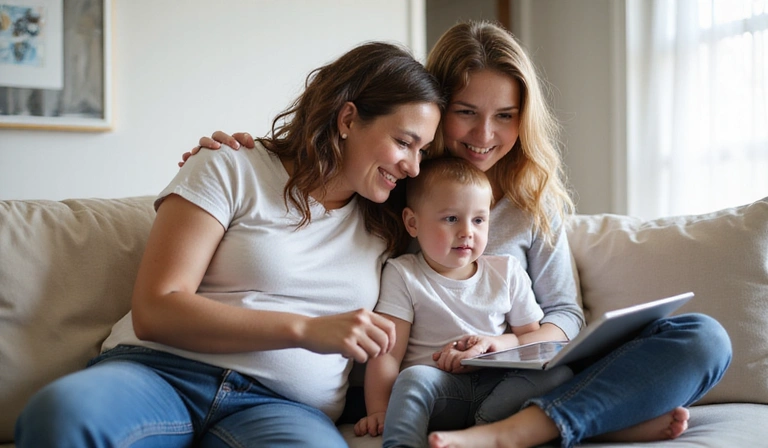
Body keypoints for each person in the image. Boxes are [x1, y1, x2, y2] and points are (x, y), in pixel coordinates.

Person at [187, 19, 731, 448]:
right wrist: (246, 153)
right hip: (413, 386)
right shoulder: (388, 186)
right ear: (432, 108)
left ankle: (528, 428)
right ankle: (587, 422)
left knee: (703, 337)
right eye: (466, 112)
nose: (484, 135)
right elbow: (306, 187)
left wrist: (509, 342)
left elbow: (564, 317)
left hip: (520, 370)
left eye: (506, 116)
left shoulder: (528, 203)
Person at [13, 41, 443, 448]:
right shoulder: (230, 166)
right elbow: (156, 308)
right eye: (404, 142)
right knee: (61, 414)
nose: (412, 165)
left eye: (422, 150)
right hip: (161, 373)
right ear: (347, 119)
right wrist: (308, 330)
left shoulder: (394, 223)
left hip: (283, 407)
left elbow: (476, 209)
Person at [353, 156, 573, 447]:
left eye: (479, 220)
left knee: (560, 372)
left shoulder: (506, 272)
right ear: (412, 222)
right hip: (438, 390)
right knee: (413, 378)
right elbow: (388, 353)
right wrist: (379, 410)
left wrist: (496, 345)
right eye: (451, 219)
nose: (467, 231)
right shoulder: (404, 274)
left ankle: (480, 431)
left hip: (496, 386)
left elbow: (533, 343)